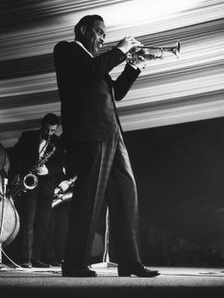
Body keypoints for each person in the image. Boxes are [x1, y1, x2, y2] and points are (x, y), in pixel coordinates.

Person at [54, 14, 160, 277]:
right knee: (89, 198)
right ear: (82, 29)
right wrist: (120, 50)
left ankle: (129, 262)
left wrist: (133, 66)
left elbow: (116, 93)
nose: (103, 38)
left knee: (127, 193)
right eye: (99, 32)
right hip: (91, 134)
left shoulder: (95, 63)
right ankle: (74, 263)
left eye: (105, 34)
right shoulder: (66, 50)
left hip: (113, 134)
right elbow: (90, 73)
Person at [10, 113, 64, 268]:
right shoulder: (27, 137)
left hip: (46, 188)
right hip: (30, 185)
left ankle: (35, 258)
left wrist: (48, 171)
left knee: (42, 224)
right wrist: (18, 174)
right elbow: (16, 156)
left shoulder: (58, 142)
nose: (49, 133)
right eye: (47, 129)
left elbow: (60, 165)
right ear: (42, 125)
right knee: (28, 222)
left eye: (53, 131)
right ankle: (25, 259)